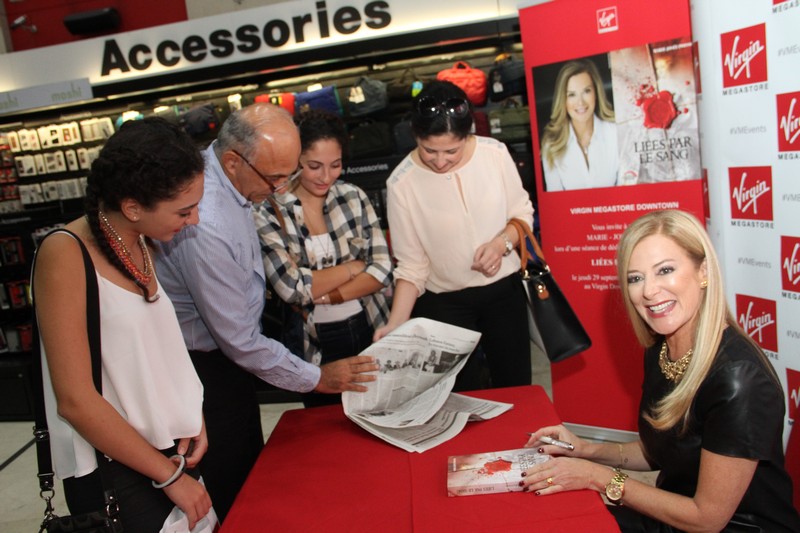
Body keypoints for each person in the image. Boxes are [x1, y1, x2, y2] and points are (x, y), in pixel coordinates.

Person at [155, 103, 378, 521]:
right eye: (274, 177)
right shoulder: (205, 224)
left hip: (228, 357)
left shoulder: (232, 182)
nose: (280, 189)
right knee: (236, 486)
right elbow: (239, 340)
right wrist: (316, 378)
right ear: (232, 161)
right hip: (206, 369)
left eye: (288, 174)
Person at [522, 209, 800, 532]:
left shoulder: (738, 379)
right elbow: (661, 450)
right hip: (673, 516)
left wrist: (597, 477)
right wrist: (586, 450)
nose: (649, 291)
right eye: (636, 277)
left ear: (703, 272)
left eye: (665, 270)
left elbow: (707, 518)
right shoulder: (661, 347)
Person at [33, 118, 213, 531]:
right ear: (132, 206)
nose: (195, 220)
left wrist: (190, 411)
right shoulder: (65, 254)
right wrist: (167, 476)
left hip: (171, 453)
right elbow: (75, 399)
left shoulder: (140, 240)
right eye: (184, 210)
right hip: (119, 470)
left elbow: (153, 348)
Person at [375, 80, 534, 391]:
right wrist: (396, 323)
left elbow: (522, 214)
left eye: (452, 150)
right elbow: (411, 265)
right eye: (429, 150)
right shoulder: (401, 184)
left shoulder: (494, 154)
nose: (440, 160)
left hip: (504, 294)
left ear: (468, 134)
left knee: (516, 387)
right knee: (458, 396)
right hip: (444, 305)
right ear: (414, 135)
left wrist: (500, 244)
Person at [253, 109, 392, 407]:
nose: (326, 176)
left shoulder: (352, 196)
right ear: (296, 161)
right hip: (313, 341)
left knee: (380, 411)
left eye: (336, 165)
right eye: (314, 166)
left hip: (370, 326)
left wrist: (326, 294)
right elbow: (292, 288)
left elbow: (382, 270)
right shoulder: (268, 210)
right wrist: (354, 267)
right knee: (327, 431)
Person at [540, 58, 619, 191]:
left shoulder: (616, 133)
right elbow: (555, 202)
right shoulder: (552, 145)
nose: (580, 102)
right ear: (563, 100)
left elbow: (628, 190)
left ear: (596, 92)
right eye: (572, 95)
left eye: (586, 91)